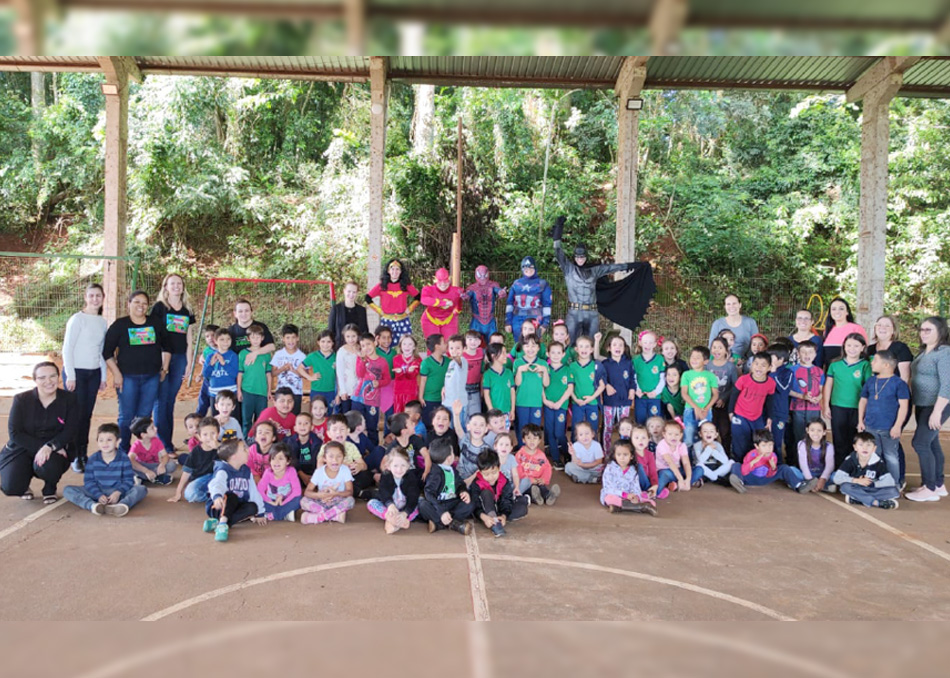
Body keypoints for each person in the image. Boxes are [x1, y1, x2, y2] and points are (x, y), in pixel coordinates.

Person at [550, 215, 644, 343]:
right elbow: (557, 251)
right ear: (574, 257)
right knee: (568, 343)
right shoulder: (569, 269)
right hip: (574, 311)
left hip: (591, 312)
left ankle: (592, 363)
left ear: (586, 257)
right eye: (578, 257)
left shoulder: (594, 270)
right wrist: (558, 229)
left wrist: (632, 266)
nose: (580, 259)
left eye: (582, 257)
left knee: (592, 344)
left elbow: (612, 268)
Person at [103, 290, 171, 454]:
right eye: (137, 302)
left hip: (151, 378)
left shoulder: (155, 323)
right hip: (127, 378)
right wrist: (117, 374)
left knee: (144, 417)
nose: (141, 306)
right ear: (129, 304)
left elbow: (167, 346)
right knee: (126, 417)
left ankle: (143, 452)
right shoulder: (120, 325)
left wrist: (165, 368)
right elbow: (107, 352)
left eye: (144, 303)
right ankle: (123, 449)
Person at [0, 362, 78, 502]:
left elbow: (71, 430)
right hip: (22, 448)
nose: (48, 381)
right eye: (42, 378)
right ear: (35, 380)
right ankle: (23, 484)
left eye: (52, 376)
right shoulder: (21, 400)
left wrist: (52, 446)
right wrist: (44, 447)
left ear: (58, 377)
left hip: (54, 449)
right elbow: (15, 433)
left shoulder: (69, 399)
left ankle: (50, 487)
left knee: (49, 466)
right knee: (11, 487)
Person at [62, 282, 108, 473]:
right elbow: (67, 348)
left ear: (103, 298)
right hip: (77, 373)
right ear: (85, 297)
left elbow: (101, 351)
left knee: (86, 416)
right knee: (76, 415)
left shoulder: (102, 321)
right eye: (91, 296)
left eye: (98, 296)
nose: (95, 299)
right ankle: (72, 455)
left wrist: (103, 376)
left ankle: (82, 452)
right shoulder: (77, 319)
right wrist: (70, 375)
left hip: (94, 373)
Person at [149, 273, 196, 452]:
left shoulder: (187, 310)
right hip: (162, 358)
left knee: (170, 400)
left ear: (183, 287)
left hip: (180, 358)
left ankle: (167, 443)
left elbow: (189, 338)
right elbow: (152, 334)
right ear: (166, 287)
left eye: (179, 283)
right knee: (160, 401)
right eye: (172, 283)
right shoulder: (159, 308)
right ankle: (163, 445)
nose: (176, 286)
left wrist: (189, 362)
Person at [905, 316, 950, 502]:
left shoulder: (944, 353)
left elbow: (947, 384)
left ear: (940, 331)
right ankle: (938, 484)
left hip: (936, 404)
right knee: (932, 443)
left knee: (920, 443)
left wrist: (938, 411)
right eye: (922, 329)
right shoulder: (924, 352)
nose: (923, 333)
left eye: (928, 330)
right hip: (923, 404)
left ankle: (929, 487)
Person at [62, 423, 146, 517]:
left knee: (141, 489)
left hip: (117, 492)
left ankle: (122, 505)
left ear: (118, 441)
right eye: (101, 440)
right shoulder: (93, 459)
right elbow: (89, 481)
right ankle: (93, 506)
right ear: (97, 442)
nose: (105, 443)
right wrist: (98, 495)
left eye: (109, 440)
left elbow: (128, 480)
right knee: (67, 490)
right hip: (97, 491)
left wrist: (118, 493)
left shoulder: (124, 458)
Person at [858, 349, 910, 490]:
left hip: (889, 428)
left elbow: (903, 406)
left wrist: (897, 426)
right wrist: (860, 421)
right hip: (870, 426)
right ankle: (874, 482)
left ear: (886, 365)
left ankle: (894, 484)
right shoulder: (871, 381)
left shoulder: (899, 384)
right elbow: (863, 401)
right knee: (873, 455)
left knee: (891, 456)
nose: (872, 363)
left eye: (875, 360)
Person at [822, 333, 871, 468]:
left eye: (856, 346)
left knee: (855, 441)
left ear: (862, 348)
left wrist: (866, 411)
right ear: (844, 346)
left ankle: (854, 469)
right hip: (838, 406)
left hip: (857, 408)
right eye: (849, 345)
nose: (852, 348)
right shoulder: (835, 365)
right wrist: (826, 405)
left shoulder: (865, 365)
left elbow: (868, 389)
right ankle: (839, 470)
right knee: (839, 440)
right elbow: (828, 385)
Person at [204, 439, 268, 542]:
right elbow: (216, 484)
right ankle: (223, 523)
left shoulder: (246, 471)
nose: (248, 450)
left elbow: (253, 492)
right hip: (219, 506)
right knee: (232, 496)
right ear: (233, 456)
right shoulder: (223, 469)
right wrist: (217, 496)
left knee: (252, 507)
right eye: (244, 449)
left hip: (235, 506)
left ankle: (219, 523)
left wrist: (260, 512)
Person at [728, 429, 817, 494]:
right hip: (749, 479)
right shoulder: (751, 454)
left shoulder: (773, 456)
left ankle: (799, 486)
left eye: (770, 445)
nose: (768, 448)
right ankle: (739, 483)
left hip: (765, 479)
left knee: (784, 468)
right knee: (736, 465)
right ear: (756, 446)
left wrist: (773, 467)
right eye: (764, 445)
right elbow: (744, 471)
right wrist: (754, 462)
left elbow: (770, 474)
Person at [419, 437, 475, 535]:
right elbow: (428, 493)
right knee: (423, 505)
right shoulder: (435, 473)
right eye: (453, 452)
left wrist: (463, 491)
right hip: (438, 504)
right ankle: (453, 524)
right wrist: (442, 511)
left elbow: (460, 484)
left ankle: (439, 524)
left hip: (451, 502)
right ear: (449, 458)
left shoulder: (452, 470)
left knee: (469, 504)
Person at [832, 432, 900, 510]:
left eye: (868, 445)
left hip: (873, 488)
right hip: (857, 486)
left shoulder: (877, 462)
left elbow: (890, 481)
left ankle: (858, 499)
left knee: (893, 491)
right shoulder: (850, 460)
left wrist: (872, 484)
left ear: (874, 448)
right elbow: (837, 478)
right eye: (861, 445)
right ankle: (876, 503)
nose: (865, 448)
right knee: (845, 487)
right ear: (855, 447)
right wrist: (856, 480)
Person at [470, 449, 529, 537]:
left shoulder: (504, 481)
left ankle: (500, 518)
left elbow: (507, 501)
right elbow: (474, 503)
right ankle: (494, 522)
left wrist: (504, 516)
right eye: (486, 474)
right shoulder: (476, 483)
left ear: (499, 468)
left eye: (494, 472)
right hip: (485, 510)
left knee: (522, 509)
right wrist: (483, 517)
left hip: (499, 509)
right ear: (480, 472)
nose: (490, 477)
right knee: (486, 493)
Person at [729, 353, 776, 461]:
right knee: (739, 441)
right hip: (740, 415)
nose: (759, 367)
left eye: (763, 365)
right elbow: (734, 395)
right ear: (751, 365)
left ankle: (754, 465)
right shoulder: (743, 379)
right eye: (756, 364)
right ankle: (739, 466)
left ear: (769, 368)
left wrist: (770, 418)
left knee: (757, 441)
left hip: (757, 417)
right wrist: (730, 412)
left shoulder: (771, 383)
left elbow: (770, 401)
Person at [301, 441, 356, 524]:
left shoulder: (345, 470)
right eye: (331, 456)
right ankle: (334, 516)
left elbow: (349, 492)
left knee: (350, 500)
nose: (335, 460)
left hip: (337, 501)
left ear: (343, 458)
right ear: (324, 458)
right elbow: (307, 492)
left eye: (339, 456)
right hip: (321, 502)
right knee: (303, 501)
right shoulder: (319, 472)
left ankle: (318, 517)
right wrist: (319, 495)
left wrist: (336, 493)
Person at [368, 447, 420, 533]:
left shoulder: (411, 477)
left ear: (408, 466)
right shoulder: (385, 476)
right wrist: (390, 505)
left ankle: (402, 519)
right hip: (390, 508)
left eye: (403, 465)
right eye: (395, 466)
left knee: (420, 503)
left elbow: (413, 497)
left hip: (405, 506)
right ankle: (390, 518)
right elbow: (383, 492)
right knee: (371, 503)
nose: (399, 470)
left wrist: (405, 513)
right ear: (388, 466)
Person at [168, 416, 220, 504]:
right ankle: (212, 497)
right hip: (201, 479)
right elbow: (186, 472)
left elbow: (232, 462)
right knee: (190, 494)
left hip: (218, 477)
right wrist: (178, 492)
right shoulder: (196, 451)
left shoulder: (222, 447)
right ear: (199, 436)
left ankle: (218, 495)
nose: (209, 437)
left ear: (218, 434)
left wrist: (219, 448)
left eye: (213, 433)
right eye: (205, 434)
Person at [353, 332, 392, 447]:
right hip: (358, 397)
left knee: (371, 426)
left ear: (375, 343)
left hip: (373, 400)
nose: (366, 348)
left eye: (368, 344)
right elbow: (359, 374)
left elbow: (387, 379)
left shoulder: (382, 362)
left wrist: (379, 383)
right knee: (356, 425)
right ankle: (357, 450)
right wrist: (363, 360)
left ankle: (374, 451)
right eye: (363, 346)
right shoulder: (360, 358)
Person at [366, 259, 420, 340]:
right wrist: (379, 311)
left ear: (401, 271)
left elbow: (418, 297)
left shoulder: (405, 285)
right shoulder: (382, 285)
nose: (395, 271)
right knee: (386, 344)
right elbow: (368, 298)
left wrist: (410, 308)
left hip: (403, 320)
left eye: (397, 269)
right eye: (392, 268)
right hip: (387, 321)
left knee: (405, 344)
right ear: (388, 270)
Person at [600, 440, 657, 515]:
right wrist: (625, 495)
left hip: (629, 496)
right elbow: (608, 488)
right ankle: (641, 507)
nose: (622, 458)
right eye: (619, 454)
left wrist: (635, 496)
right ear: (614, 455)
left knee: (652, 502)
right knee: (609, 499)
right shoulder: (610, 468)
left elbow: (635, 486)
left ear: (631, 456)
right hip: (614, 494)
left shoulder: (633, 470)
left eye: (625, 455)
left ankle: (619, 507)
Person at [505, 256, 552, 342]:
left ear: (535, 268)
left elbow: (547, 305)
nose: (528, 271)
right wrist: (508, 321)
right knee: (518, 344)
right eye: (526, 269)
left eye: (531, 268)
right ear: (522, 269)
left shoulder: (542, 284)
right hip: (517, 319)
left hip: (535, 318)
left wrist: (545, 323)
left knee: (533, 343)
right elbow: (509, 303)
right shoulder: (516, 283)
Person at [238, 325, 273, 438]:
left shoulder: (266, 354)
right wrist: (239, 390)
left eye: (258, 337)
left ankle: (258, 442)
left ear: (262, 338)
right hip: (247, 391)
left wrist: (269, 390)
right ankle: (245, 441)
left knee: (261, 420)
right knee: (246, 420)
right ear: (248, 339)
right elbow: (240, 373)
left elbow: (268, 374)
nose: (256, 340)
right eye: (253, 337)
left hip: (262, 392)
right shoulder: (243, 353)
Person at [513, 335, 549, 445]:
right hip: (521, 402)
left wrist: (544, 371)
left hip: (536, 402)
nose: (530, 348)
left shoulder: (543, 363)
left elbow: (546, 383)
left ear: (538, 348)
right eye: (527, 345)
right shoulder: (518, 363)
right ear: (523, 348)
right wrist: (520, 370)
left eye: (534, 345)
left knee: (535, 429)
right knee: (522, 428)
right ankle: (521, 450)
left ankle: (533, 451)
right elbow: (517, 383)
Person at [601, 334, 636, 449]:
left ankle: (624, 450)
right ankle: (606, 453)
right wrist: (606, 385)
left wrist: (632, 389)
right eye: (614, 344)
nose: (618, 347)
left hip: (624, 401)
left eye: (621, 345)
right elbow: (599, 378)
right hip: (610, 402)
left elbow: (632, 378)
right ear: (609, 348)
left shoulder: (628, 363)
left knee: (625, 428)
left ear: (624, 348)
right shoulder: (605, 364)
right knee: (608, 428)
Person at [543, 341, 574, 470]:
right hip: (548, 405)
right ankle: (556, 459)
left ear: (563, 354)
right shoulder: (545, 369)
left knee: (559, 432)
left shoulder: (567, 369)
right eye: (553, 352)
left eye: (558, 352)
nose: (555, 355)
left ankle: (566, 453)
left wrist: (560, 402)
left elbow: (570, 388)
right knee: (549, 431)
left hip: (561, 406)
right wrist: (546, 401)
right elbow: (541, 387)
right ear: (548, 354)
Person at [681, 346, 719, 447]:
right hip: (690, 410)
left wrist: (706, 408)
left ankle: (703, 460)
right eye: (692, 357)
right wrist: (696, 407)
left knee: (706, 438)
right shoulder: (686, 375)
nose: (694, 359)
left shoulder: (710, 376)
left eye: (698, 357)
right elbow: (684, 393)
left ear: (706, 361)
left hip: (706, 411)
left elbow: (715, 395)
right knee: (688, 438)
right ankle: (687, 461)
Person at [569, 335, 607, 437]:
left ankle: (593, 452)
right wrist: (576, 399)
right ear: (576, 349)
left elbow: (602, 386)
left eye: (587, 347)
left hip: (592, 403)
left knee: (593, 428)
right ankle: (575, 451)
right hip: (577, 403)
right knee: (576, 428)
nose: (584, 349)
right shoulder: (572, 367)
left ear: (591, 349)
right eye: (581, 346)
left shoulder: (597, 366)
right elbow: (570, 386)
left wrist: (591, 398)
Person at [789, 342, 825, 445]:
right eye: (803, 352)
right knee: (798, 436)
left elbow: (822, 389)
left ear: (815, 354)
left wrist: (819, 397)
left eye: (810, 352)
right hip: (797, 408)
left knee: (814, 436)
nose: (807, 355)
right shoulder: (791, 370)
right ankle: (798, 459)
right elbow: (787, 390)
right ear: (798, 354)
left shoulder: (819, 371)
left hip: (814, 408)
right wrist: (802, 396)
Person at [516, 423, 560, 506]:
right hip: (526, 482)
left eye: (535, 438)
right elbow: (517, 470)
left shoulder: (541, 455)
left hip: (538, 481)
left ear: (539, 440)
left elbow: (547, 468)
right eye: (529, 438)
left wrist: (544, 479)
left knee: (542, 488)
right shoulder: (520, 454)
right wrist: (531, 480)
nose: (532, 441)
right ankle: (535, 498)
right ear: (523, 440)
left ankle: (549, 496)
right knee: (529, 490)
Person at [707, 337, 737, 454]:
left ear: (726, 350)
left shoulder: (730, 367)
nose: (716, 350)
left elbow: (735, 386)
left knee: (725, 431)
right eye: (714, 347)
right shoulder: (707, 366)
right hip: (710, 404)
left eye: (720, 347)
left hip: (725, 404)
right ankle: (711, 455)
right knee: (710, 430)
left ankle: (726, 455)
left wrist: (724, 398)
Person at [257, 443, 302, 522]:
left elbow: (297, 491)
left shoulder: (291, 471)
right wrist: (271, 502)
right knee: (257, 501)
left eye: (281, 459)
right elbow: (260, 490)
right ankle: (283, 515)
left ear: (288, 461)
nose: (276, 462)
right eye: (273, 458)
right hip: (271, 501)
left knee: (299, 500)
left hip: (285, 500)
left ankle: (272, 515)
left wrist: (283, 502)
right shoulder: (268, 472)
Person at [655, 420, 703, 492]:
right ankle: (684, 483)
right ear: (664, 434)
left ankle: (683, 484)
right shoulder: (662, 445)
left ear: (681, 435)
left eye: (676, 434)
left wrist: (688, 479)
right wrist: (680, 478)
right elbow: (670, 463)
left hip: (678, 470)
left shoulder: (681, 445)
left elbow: (686, 463)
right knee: (664, 474)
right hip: (666, 470)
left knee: (699, 469)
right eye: (670, 434)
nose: (673, 437)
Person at [708, 294, 760, 360]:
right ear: (725, 306)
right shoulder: (718, 324)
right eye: (728, 304)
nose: (731, 306)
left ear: (740, 305)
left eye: (734, 303)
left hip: (746, 361)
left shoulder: (750, 323)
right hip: (721, 361)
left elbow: (756, 343)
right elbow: (711, 346)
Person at [298, 330, 338, 414]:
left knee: (329, 414)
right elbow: (300, 368)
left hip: (331, 391)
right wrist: (310, 377)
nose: (325, 344)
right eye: (323, 341)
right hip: (316, 391)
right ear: (318, 342)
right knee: (316, 414)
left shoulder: (336, 357)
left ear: (333, 343)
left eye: (328, 342)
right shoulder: (313, 356)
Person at [767, 344, 795, 465]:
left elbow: (783, 390)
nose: (768, 359)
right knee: (763, 440)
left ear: (781, 359)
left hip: (779, 413)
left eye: (771, 357)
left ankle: (778, 467)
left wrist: (773, 374)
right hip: (764, 412)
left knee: (776, 442)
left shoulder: (787, 373)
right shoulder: (764, 370)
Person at [270, 324, 306, 415]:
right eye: (288, 337)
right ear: (283, 339)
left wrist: (293, 370)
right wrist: (282, 369)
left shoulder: (302, 356)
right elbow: (273, 373)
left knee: (294, 417)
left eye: (293, 337)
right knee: (279, 416)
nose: (291, 341)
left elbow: (305, 375)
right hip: (281, 392)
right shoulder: (278, 354)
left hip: (296, 393)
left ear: (297, 338)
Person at [227, 299, 276, 366]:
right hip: (239, 368)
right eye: (240, 311)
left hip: (259, 366)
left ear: (251, 312)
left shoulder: (261, 327)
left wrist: (255, 353)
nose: (244, 314)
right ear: (235, 314)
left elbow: (271, 346)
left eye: (246, 311)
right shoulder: (231, 331)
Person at [822, 298, 868, 369]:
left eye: (841, 309)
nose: (837, 311)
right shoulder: (827, 331)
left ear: (847, 312)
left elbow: (864, 351)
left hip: (851, 373)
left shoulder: (856, 328)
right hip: (830, 374)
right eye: (834, 309)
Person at [128, 416, 176, 485]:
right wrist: (146, 471)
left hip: (154, 466)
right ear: (143, 435)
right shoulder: (136, 445)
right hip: (142, 466)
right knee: (128, 465)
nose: (156, 428)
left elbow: (165, 455)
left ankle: (145, 477)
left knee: (171, 465)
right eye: (152, 428)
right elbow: (130, 460)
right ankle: (155, 477)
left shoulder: (157, 441)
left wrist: (162, 465)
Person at [466, 266, 506, 343]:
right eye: (480, 275)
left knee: (493, 342)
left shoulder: (493, 285)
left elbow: (499, 291)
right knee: (473, 342)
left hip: (490, 320)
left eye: (484, 275)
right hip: (477, 320)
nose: (482, 277)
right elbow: (468, 295)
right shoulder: (472, 288)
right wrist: (464, 295)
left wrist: (502, 292)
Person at [420, 268, 463, 340]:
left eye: (445, 280)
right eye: (440, 281)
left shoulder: (456, 291)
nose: (443, 284)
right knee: (433, 345)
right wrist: (443, 303)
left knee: (451, 344)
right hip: (430, 320)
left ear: (449, 279)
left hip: (449, 320)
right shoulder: (428, 289)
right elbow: (424, 300)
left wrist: (457, 310)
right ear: (435, 280)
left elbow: (460, 300)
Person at [632, 330, 665, 424]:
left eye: (650, 342)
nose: (647, 345)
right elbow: (633, 378)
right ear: (640, 343)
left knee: (654, 422)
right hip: (640, 397)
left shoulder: (659, 359)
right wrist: (637, 389)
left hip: (654, 397)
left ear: (655, 344)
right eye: (645, 342)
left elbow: (663, 379)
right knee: (640, 421)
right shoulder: (636, 360)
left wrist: (655, 392)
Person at [796, 419, 836, 494]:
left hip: (822, 475)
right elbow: (803, 465)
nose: (815, 433)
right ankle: (821, 486)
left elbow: (830, 466)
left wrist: (823, 479)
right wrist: (811, 482)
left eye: (819, 430)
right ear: (807, 430)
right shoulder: (802, 444)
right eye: (812, 430)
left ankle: (819, 485)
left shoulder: (829, 446)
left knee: (836, 475)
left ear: (824, 432)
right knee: (791, 470)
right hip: (807, 475)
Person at [482, 342, 515, 430]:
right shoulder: (488, 374)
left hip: (506, 412)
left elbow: (512, 392)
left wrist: (512, 410)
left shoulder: (508, 372)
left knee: (505, 434)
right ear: (493, 356)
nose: (506, 355)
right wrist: (491, 410)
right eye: (503, 353)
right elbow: (486, 394)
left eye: (505, 352)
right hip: (494, 412)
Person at [202, 328, 239, 407]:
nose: (225, 342)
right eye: (222, 339)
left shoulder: (233, 356)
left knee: (233, 417)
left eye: (228, 339)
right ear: (215, 341)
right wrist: (211, 365)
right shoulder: (210, 356)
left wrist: (224, 364)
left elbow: (235, 374)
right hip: (214, 393)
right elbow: (205, 374)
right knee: (216, 418)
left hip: (231, 391)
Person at [419, 334, 449, 429]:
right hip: (429, 399)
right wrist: (420, 397)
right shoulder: (426, 363)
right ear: (437, 346)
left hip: (444, 399)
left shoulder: (448, 361)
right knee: (429, 424)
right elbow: (422, 381)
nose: (446, 344)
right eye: (444, 342)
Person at [328, 281, 369, 348]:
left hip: (357, 347)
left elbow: (365, 331)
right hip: (340, 347)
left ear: (357, 293)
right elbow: (331, 330)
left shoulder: (362, 310)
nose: (351, 294)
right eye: (349, 291)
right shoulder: (336, 309)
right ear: (344, 291)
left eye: (354, 292)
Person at [286, 412, 320, 485]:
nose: (303, 426)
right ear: (295, 428)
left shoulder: (316, 442)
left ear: (312, 427)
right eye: (300, 423)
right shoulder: (291, 441)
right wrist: (302, 475)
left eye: (306, 423)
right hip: (297, 471)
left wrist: (314, 477)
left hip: (313, 471)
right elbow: (293, 460)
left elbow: (317, 461)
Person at [693, 421, 731, 486]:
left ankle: (712, 476)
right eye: (705, 431)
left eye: (711, 431)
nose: (708, 433)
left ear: (716, 435)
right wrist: (709, 449)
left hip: (715, 468)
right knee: (699, 465)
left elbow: (725, 461)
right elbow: (700, 460)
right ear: (700, 434)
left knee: (731, 462)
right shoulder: (697, 445)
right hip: (703, 468)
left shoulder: (717, 445)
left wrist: (713, 451)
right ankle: (716, 478)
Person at [442, 335, 469, 426]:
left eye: (458, 348)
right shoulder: (451, 363)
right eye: (451, 348)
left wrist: (456, 357)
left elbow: (458, 361)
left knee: (459, 429)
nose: (454, 350)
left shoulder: (462, 360)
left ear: (464, 349)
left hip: (458, 404)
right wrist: (444, 388)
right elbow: (450, 379)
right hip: (448, 402)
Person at [392, 334, 422, 415]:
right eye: (404, 344)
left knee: (411, 415)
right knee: (399, 415)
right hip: (399, 391)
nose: (407, 347)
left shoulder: (418, 360)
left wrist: (409, 372)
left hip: (411, 391)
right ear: (400, 346)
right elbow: (398, 377)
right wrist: (400, 372)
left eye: (410, 344)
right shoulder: (396, 359)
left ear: (414, 346)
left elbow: (412, 376)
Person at [195, 324, 219, 417]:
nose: (210, 338)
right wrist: (201, 375)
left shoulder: (225, 350)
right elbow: (205, 366)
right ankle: (197, 423)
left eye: (213, 335)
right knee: (202, 403)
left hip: (217, 382)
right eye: (207, 336)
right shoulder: (206, 351)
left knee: (216, 407)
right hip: (207, 381)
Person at [462, 330, 485, 417]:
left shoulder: (481, 352)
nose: (473, 342)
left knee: (475, 414)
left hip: (476, 390)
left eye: (475, 339)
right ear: (465, 341)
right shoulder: (461, 355)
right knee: (463, 414)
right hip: (463, 390)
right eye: (470, 339)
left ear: (479, 342)